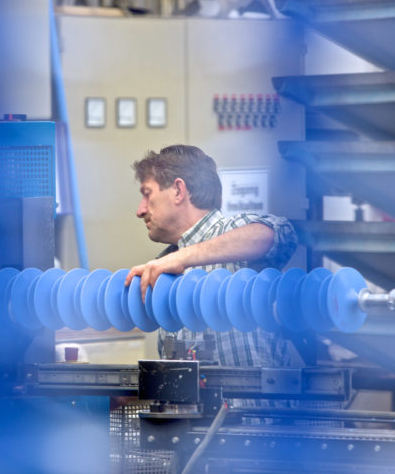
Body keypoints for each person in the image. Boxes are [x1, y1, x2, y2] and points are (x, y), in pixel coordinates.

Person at [124, 144, 299, 369]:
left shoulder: (229, 231)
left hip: (254, 405)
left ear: (178, 190)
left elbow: (280, 232)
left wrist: (182, 258)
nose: (140, 210)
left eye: (147, 195)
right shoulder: (164, 267)